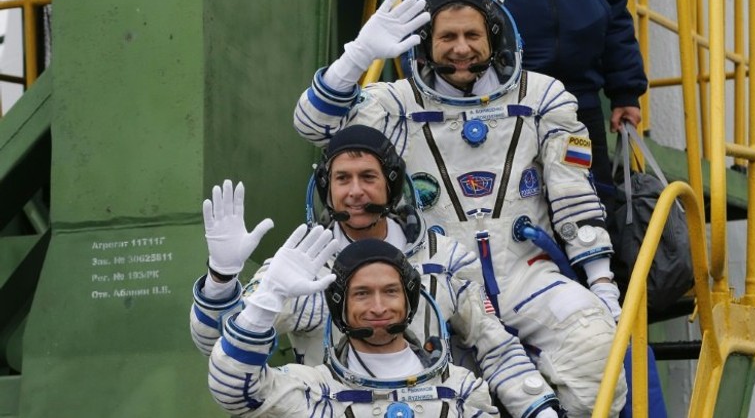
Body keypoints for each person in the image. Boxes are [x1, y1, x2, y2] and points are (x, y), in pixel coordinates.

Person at [292, 0, 627, 416]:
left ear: (494, 38)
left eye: (473, 35)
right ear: (427, 44)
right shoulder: (396, 105)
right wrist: (357, 56)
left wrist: (601, 285)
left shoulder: (542, 98)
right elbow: (314, 124)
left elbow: (574, 195)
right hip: (434, 279)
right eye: (448, 37)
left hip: (526, 273)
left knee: (594, 347)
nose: (462, 49)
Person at [190, 125, 562, 417]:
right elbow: (218, 348)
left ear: (392, 183)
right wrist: (221, 279)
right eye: (342, 179)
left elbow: (495, 346)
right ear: (326, 187)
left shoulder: (443, 260)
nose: (355, 191)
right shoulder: (300, 270)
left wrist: (539, 408)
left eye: (368, 177)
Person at [208, 228, 501, 416]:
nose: (378, 307)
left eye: (390, 291)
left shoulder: (461, 389)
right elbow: (234, 391)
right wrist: (267, 300)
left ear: (409, 299)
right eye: (362, 294)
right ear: (339, 306)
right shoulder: (314, 391)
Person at [403, 0, 648, 209]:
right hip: (502, 101)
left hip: (580, 99)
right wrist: (427, 89)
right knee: (504, 207)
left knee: (593, 203)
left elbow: (615, 10)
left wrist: (625, 89)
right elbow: (420, 13)